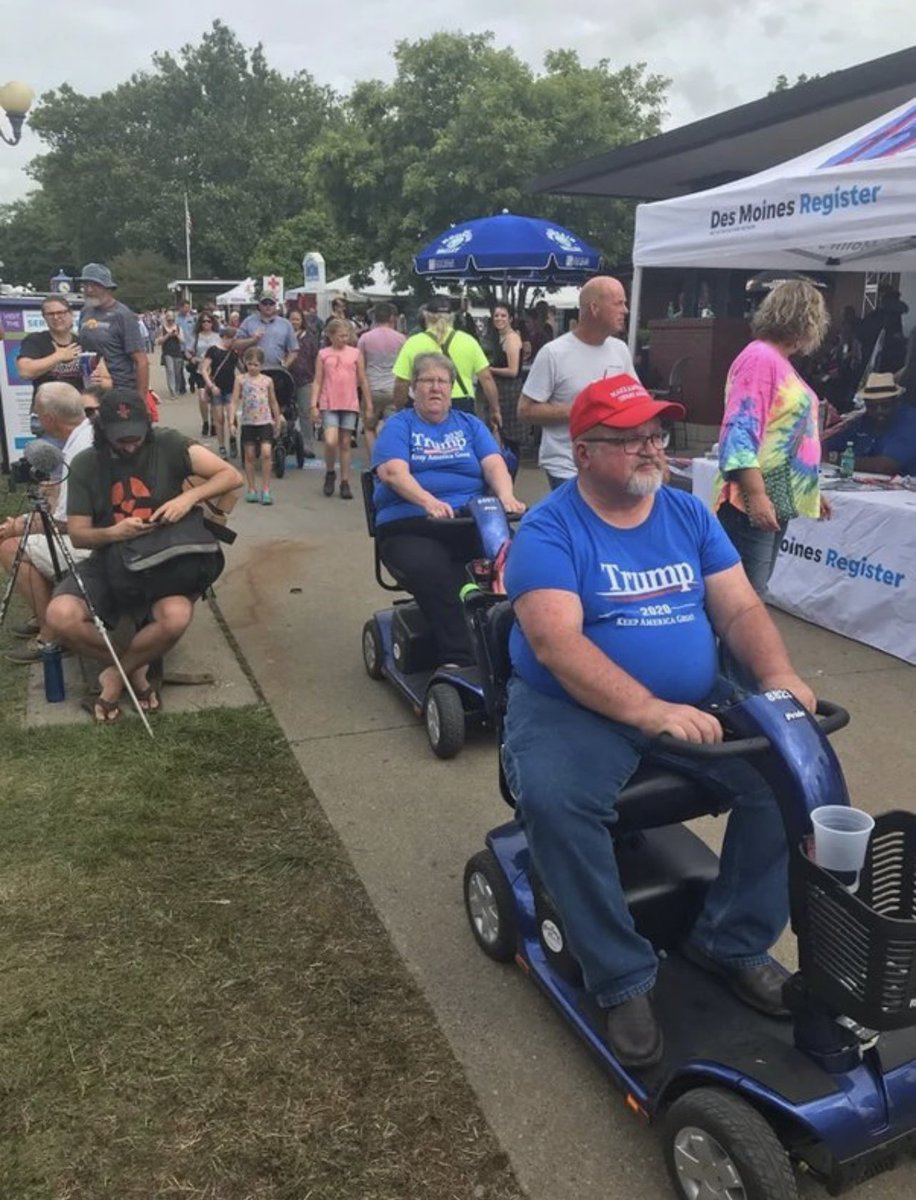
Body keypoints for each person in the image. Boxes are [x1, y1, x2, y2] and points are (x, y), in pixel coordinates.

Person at [502, 372, 817, 1067]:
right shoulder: (550, 530)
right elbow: (558, 646)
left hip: (690, 699)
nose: (651, 449)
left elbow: (737, 608)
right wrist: (649, 710)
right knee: (557, 804)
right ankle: (620, 977)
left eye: (656, 434)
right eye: (629, 438)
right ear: (582, 452)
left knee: (786, 778)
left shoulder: (688, 514)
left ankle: (729, 940)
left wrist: (778, 677)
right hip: (571, 707)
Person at [43, 387, 242, 724]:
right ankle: (135, 669)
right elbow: (78, 535)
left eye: (136, 437)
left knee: (176, 616)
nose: (130, 445)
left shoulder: (168, 443)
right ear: (102, 432)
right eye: (121, 440)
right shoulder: (86, 462)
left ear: (147, 427)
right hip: (109, 560)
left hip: (163, 560)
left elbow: (231, 475)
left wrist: (187, 500)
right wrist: (112, 534)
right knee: (60, 616)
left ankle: (115, 676)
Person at [372, 352, 525, 668]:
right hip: (411, 523)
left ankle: (521, 648)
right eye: (427, 380)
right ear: (414, 387)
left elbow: (494, 463)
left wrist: (506, 496)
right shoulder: (400, 426)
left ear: (452, 388)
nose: (435, 388)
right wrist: (429, 501)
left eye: (442, 381)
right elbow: (392, 473)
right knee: (440, 575)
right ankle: (462, 660)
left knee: (521, 564)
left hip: (470, 520)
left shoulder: (469, 425)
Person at [713, 280, 829, 619]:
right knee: (745, 605)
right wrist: (756, 495)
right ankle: (733, 673)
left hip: (776, 491)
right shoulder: (762, 359)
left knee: (748, 598)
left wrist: (809, 488)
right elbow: (741, 430)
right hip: (756, 495)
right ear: (807, 319)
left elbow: (785, 433)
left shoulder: (773, 361)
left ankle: (736, 671)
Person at [0, 384, 96, 663]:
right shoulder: (86, 434)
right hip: (99, 531)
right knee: (19, 536)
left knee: (10, 547)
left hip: (95, 542)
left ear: (50, 419)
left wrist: (19, 526)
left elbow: (65, 524)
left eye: (37, 413)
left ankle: (50, 635)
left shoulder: (79, 450)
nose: (35, 419)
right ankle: (44, 614)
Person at [518, 276, 635, 490]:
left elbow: (635, 398)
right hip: (566, 466)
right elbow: (525, 411)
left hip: (611, 464)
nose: (626, 311)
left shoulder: (620, 350)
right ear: (594, 308)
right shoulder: (554, 353)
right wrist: (582, 409)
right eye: (619, 303)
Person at [392, 296, 500, 426]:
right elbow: (486, 378)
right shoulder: (468, 341)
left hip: (425, 403)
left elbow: (401, 383)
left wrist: (400, 410)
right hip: (462, 403)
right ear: (452, 317)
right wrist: (495, 410)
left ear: (426, 317)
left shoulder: (413, 343)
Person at [310, 318, 372, 500]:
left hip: (349, 402)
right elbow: (318, 380)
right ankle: (330, 472)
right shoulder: (323, 354)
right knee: (330, 440)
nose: (344, 339)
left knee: (345, 443)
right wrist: (313, 404)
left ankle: (345, 480)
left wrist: (368, 403)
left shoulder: (355, 353)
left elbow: (362, 379)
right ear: (330, 336)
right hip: (329, 402)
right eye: (340, 336)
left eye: (346, 336)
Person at [822, 372, 916, 476]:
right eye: (872, 407)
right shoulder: (863, 420)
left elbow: (885, 466)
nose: (878, 411)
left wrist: (837, 459)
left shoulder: (909, 420)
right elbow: (825, 447)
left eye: (885, 406)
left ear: (897, 402)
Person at [77, 263, 149, 398]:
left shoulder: (123, 315)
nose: (89, 289)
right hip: (91, 387)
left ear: (107, 288)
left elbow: (141, 360)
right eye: (85, 285)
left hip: (120, 389)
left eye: (94, 285)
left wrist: (141, 399)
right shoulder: (85, 312)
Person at [229, 348, 281, 506]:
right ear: (245, 363)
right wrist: (231, 421)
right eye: (250, 364)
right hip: (248, 422)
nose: (252, 367)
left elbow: (273, 401)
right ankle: (252, 488)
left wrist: (277, 419)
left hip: (264, 421)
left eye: (256, 364)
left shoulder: (267, 381)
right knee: (249, 456)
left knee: (266, 453)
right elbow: (234, 401)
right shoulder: (240, 379)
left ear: (262, 365)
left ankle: (266, 488)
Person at [358, 301, 405, 455]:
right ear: (392, 318)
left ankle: (374, 463)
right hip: (394, 390)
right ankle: (389, 458)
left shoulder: (365, 338)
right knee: (392, 428)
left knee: (369, 428)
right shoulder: (401, 339)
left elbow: (360, 367)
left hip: (371, 390)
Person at [16, 296, 84, 399]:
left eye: (61, 312)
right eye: (51, 314)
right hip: (45, 410)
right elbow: (25, 371)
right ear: (44, 317)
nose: (56, 317)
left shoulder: (83, 342)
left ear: (71, 314)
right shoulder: (35, 340)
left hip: (76, 409)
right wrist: (58, 357)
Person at [487, 303, 525, 459]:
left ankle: (511, 467)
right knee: (498, 431)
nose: (499, 319)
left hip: (510, 392)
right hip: (501, 390)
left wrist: (489, 370)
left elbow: (513, 370)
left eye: (503, 315)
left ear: (510, 318)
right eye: (496, 315)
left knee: (508, 434)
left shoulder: (511, 339)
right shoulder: (499, 338)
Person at [201, 326, 241, 460]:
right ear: (224, 338)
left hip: (231, 388)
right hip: (217, 388)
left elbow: (241, 369)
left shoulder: (234, 353)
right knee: (219, 419)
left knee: (232, 416)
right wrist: (211, 386)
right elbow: (204, 369)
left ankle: (233, 438)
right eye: (231, 339)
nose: (233, 342)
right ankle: (222, 445)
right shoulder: (213, 350)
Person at [232, 295, 298, 369]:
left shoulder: (285, 324)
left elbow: (293, 350)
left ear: (275, 305)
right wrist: (253, 339)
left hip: (277, 371)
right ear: (259, 305)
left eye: (271, 303)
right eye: (265, 303)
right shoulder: (248, 322)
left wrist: (285, 366)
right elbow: (235, 344)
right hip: (254, 372)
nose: (268, 306)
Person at [287, 308, 318, 461]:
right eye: (292, 319)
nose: (294, 322)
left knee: (305, 413)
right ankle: (290, 441)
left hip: (305, 380)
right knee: (288, 413)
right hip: (285, 379)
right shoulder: (284, 336)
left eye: (297, 319)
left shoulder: (310, 338)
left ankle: (307, 445)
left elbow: (315, 358)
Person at [190, 312, 222, 438]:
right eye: (203, 321)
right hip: (200, 370)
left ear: (213, 323)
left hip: (215, 371)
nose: (206, 323)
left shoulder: (218, 336)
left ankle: (214, 423)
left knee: (214, 398)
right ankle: (205, 422)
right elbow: (189, 352)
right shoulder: (196, 336)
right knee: (202, 397)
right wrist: (194, 358)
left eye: (209, 321)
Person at [156, 311, 185, 399]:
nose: (170, 322)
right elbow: (159, 342)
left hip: (177, 352)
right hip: (167, 352)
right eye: (169, 320)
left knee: (177, 372)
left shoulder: (179, 328)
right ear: (166, 319)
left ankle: (176, 389)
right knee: (170, 371)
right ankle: (172, 391)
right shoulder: (162, 328)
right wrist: (168, 335)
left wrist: (177, 335)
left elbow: (183, 341)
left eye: (172, 320)